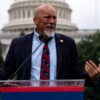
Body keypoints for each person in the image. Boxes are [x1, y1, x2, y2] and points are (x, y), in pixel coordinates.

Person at [0, 4, 99, 86]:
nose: (52, 22)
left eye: (54, 18)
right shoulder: (19, 44)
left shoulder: (68, 44)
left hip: (59, 96)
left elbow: (77, 75)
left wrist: (92, 77)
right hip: (28, 96)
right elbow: (7, 72)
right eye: (47, 17)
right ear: (35, 20)